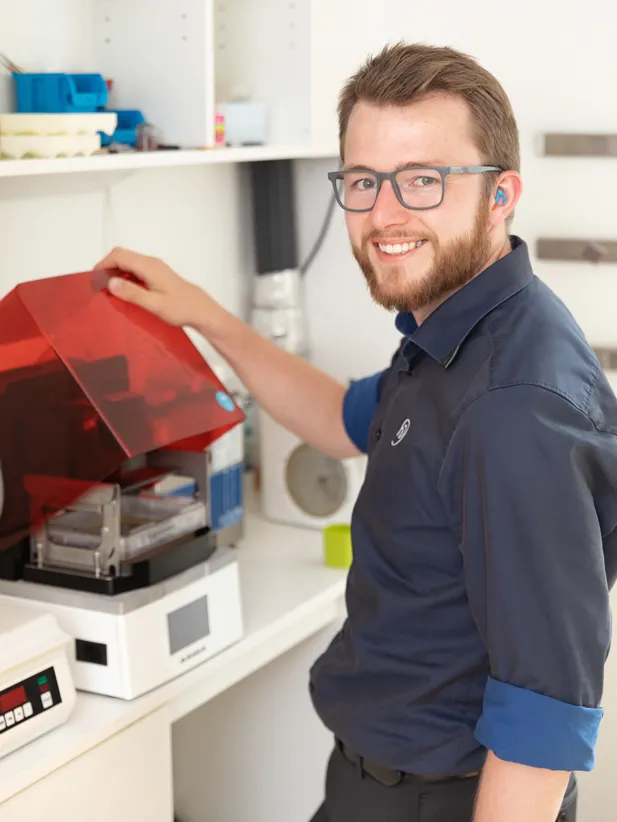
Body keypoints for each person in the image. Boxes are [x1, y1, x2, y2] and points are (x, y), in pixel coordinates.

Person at [95, 42, 617, 822]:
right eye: (364, 181)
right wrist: (204, 314)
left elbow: (541, 727)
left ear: (499, 193)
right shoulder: (459, 333)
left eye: (423, 180)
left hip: (447, 800)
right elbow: (339, 418)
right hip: (379, 783)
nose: (384, 215)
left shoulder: (511, 408)